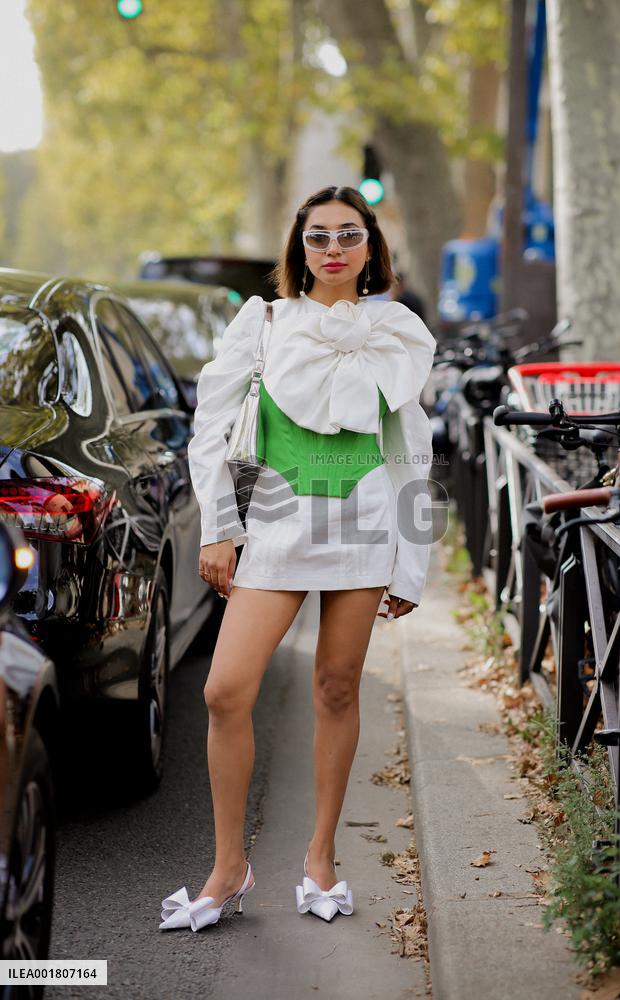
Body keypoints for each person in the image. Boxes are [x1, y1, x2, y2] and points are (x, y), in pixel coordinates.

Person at [158, 185, 437, 930]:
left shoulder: (396, 329)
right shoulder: (263, 322)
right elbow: (211, 430)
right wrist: (219, 527)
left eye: (349, 234)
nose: (334, 248)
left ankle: (321, 860)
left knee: (338, 689)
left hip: (365, 524)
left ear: (371, 247)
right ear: (300, 247)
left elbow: (411, 447)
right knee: (225, 691)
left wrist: (412, 560)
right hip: (277, 523)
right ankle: (229, 867)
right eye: (319, 236)